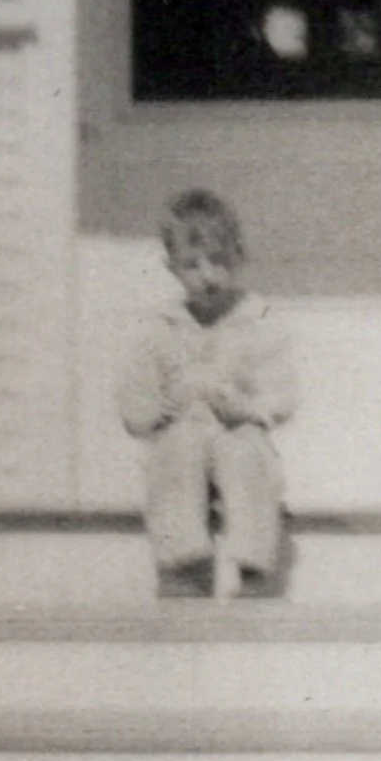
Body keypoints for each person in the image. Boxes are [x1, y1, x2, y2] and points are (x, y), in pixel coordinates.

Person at [115, 189, 299, 600]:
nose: (208, 275)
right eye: (192, 265)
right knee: (173, 453)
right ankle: (184, 563)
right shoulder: (160, 327)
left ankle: (252, 566)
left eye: (218, 261)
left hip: (236, 432)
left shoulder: (257, 319)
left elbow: (282, 391)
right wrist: (155, 410)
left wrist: (250, 408)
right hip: (183, 436)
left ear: (238, 257)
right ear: (172, 268)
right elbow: (134, 399)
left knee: (248, 454)